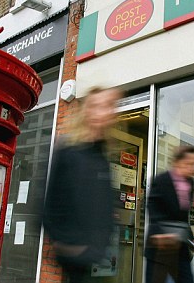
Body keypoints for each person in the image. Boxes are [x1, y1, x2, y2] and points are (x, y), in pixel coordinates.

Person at [43, 86, 122, 283]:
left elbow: (103, 205)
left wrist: (105, 236)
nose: (102, 112)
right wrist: (67, 243)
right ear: (86, 111)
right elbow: (47, 202)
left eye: (108, 106)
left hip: (97, 255)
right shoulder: (68, 149)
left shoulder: (102, 155)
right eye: (96, 106)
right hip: (75, 255)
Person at [145, 145, 194, 283]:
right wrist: (160, 233)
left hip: (180, 246)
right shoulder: (162, 180)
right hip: (160, 245)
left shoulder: (190, 184)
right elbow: (152, 206)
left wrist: (191, 239)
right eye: (189, 163)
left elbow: (183, 217)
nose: (193, 168)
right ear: (177, 162)